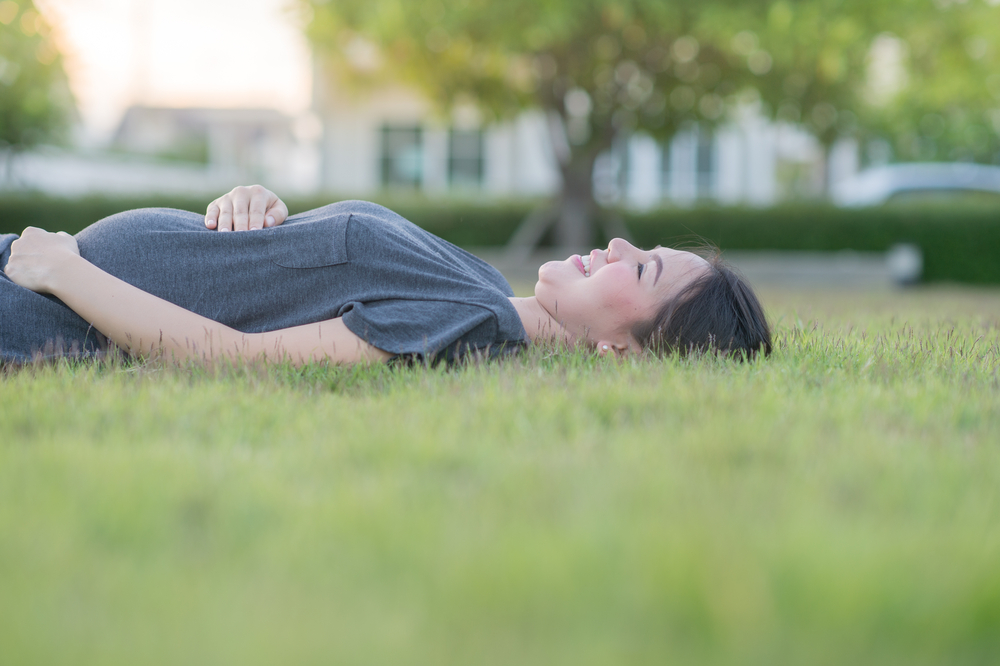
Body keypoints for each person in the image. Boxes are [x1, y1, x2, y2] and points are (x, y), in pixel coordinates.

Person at [1, 186, 771, 366]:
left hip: (31, 308)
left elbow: (235, 358)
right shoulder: (475, 282)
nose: (615, 241)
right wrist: (260, 206)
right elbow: (290, 277)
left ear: (625, 353)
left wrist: (64, 272)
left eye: (641, 268)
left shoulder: (472, 326)